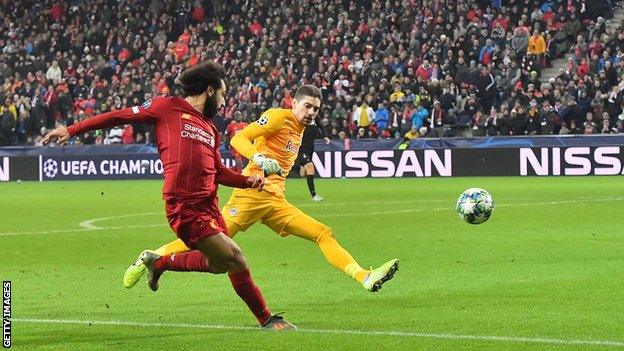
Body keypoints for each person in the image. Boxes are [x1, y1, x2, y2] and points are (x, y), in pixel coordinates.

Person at [42, 61, 295, 331]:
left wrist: (249, 181)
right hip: (184, 206)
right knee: (236, 257)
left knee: (220, 264)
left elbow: (218, 171)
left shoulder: (211, 129)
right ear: (210, 91)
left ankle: (159, 261)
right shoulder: (167, 108)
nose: (223, 103)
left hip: (210, 206)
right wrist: (73, 129)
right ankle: (267, 320)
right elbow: (121, 116)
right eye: (221, 95)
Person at [124, 85, 399, 294]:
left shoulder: (301, 130)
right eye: (307, 106)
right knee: (206, 240)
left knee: (322, 233)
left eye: (316, 108)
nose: (312, 112)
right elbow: (239, 137)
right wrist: (257, 159)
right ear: (295, 103)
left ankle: (364, 276)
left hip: (275, 202)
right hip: (252, 196)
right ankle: (154, 256)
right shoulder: (279, 117)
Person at [297, 113, 331, 201]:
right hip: (300, 147)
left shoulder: (315, 116)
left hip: (310, 147)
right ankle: (314, 195)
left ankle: (296, 167)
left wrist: (325, 136)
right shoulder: (299, 115)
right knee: (310, 167)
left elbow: (321, 126)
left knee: (303, 173)